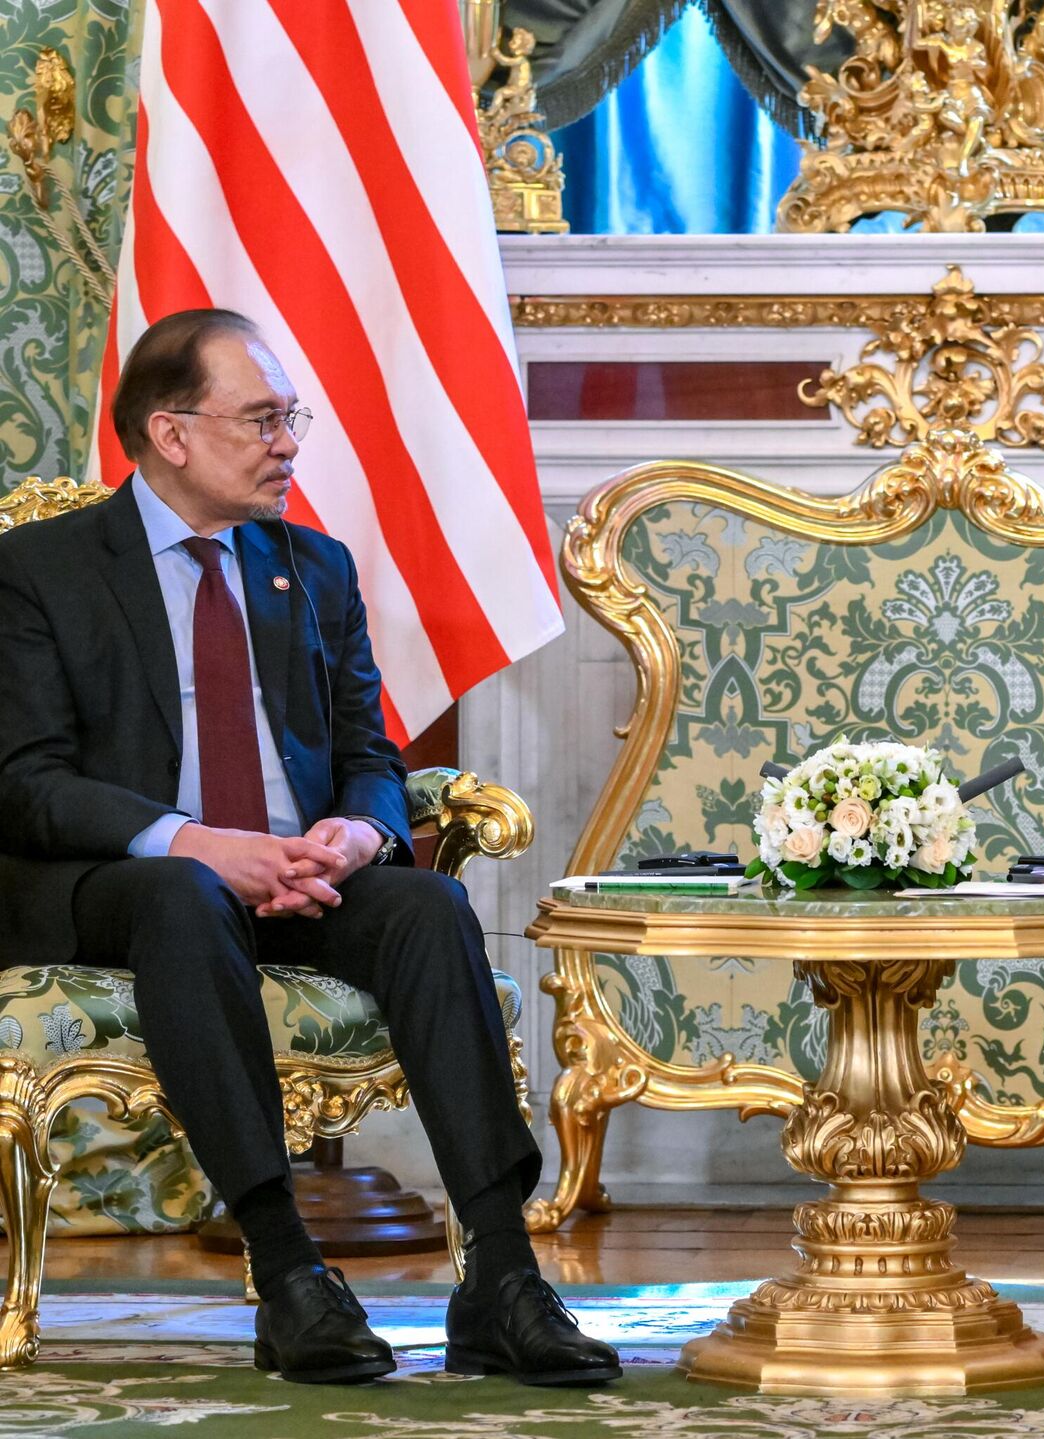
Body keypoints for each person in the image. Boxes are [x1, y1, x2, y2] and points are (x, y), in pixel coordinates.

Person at [0, 309, 620, 1388]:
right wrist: (197, 843)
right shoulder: (39, 569)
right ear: (171, 433)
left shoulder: (313, 567)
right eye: (263, 419)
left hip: (301, 879)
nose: (288, 443)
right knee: (183, 896)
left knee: (427, 904)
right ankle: (290, 1271)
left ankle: (502, 1277)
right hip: (123, 887)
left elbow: (368, 752)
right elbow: (26, 781)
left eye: (292, 417)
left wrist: (360, 830)